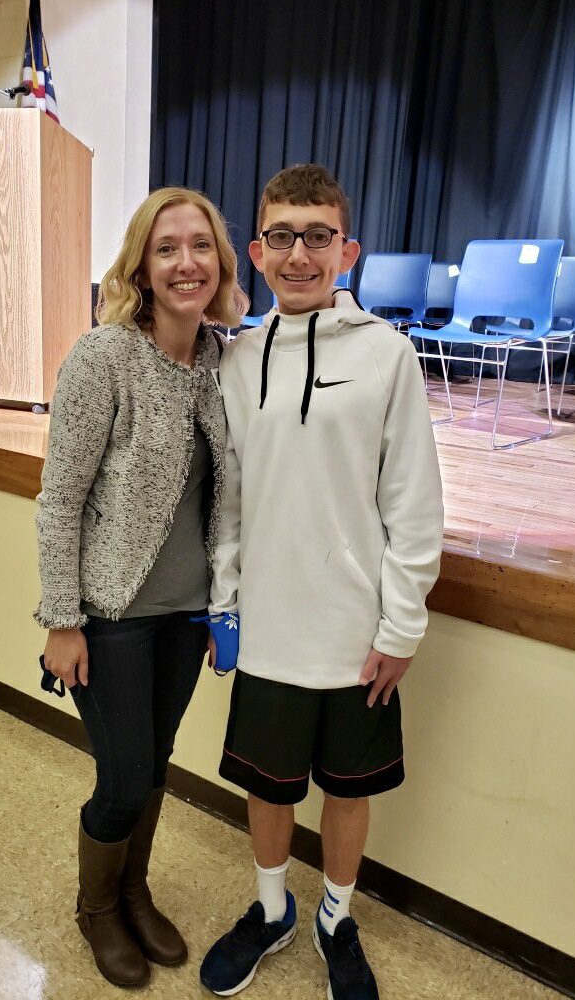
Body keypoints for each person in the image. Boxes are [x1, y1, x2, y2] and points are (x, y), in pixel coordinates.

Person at [199, 164, 444, 1000]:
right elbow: (228, 500)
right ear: (257, 252)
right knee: (267, 787)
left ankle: (337, 918)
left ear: (348, 251)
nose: (299, 253)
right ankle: (272, 910)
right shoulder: (237, 360)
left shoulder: (388, 355)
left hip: (356, 633)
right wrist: (224, 604)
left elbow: (414, 504)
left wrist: (401, 627)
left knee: (347, 789)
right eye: (281, 236)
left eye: (317, 236)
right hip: (269, 626)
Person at [35, 186, 247, 989]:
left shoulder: (224, 361)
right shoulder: (105, 357)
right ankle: (96, 908)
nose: (186, 263)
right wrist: (62, 620)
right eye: (166, 248)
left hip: (186, 616)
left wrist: (225, 606)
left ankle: (134, 891)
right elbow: (60, 499)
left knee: (154, 764)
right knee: (123, 778)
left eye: (200, 246)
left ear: (220, 263)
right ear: (141, 267)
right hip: (111, 613)